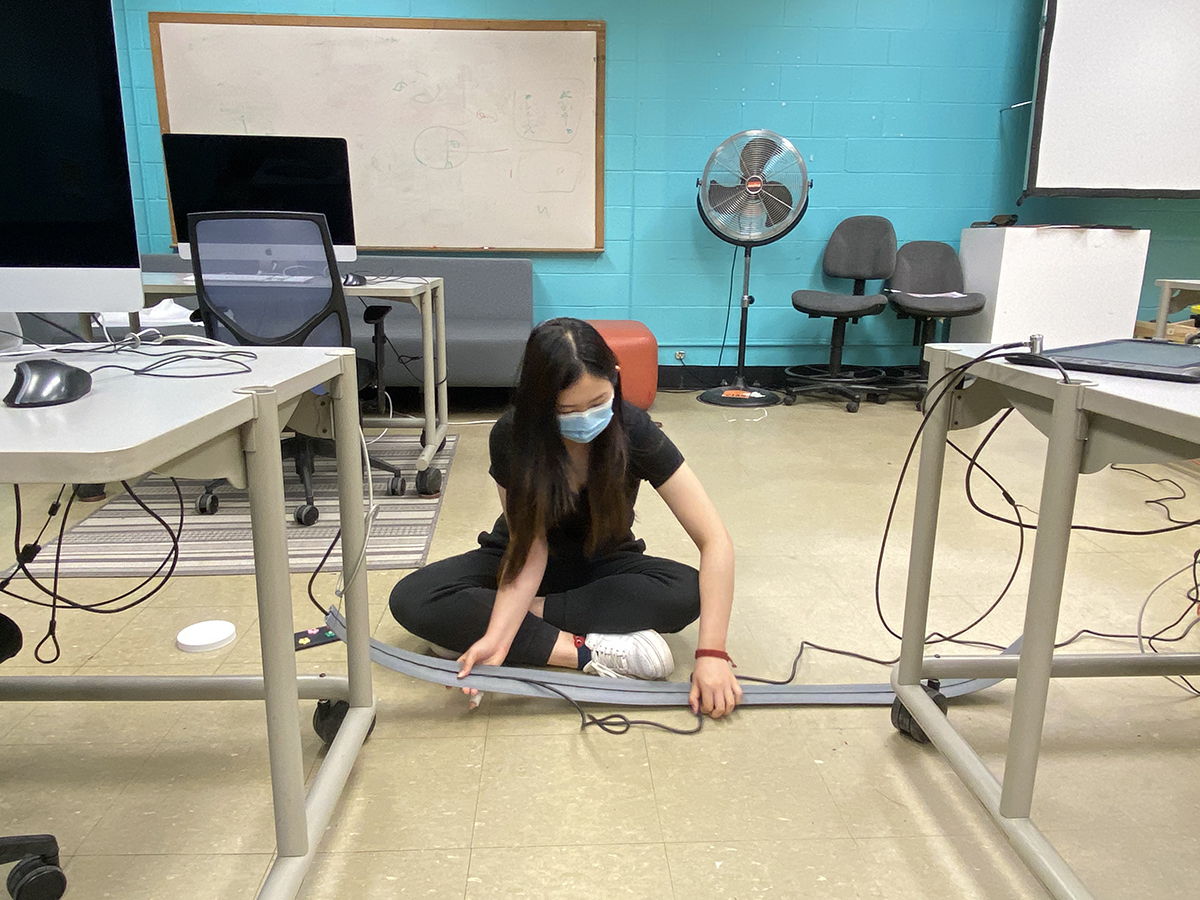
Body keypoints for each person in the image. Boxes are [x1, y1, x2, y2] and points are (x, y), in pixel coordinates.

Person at [389, 318, 742, 718]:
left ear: (616, 380)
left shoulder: (635, 429)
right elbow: (531, 548)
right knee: (413, 597)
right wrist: (498, 640)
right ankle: (588, 651)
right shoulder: (511, 436)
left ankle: (502, 625)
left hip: (604, 563)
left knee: (685, 591)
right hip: (522, 557)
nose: (585, 419)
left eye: (597, 403)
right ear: (539, 403)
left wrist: (712, 654)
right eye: (566, 410)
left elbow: (714, 539)